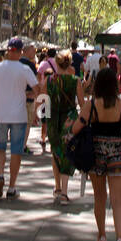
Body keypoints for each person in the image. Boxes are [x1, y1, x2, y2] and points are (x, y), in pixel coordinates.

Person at [70, 66, 121, 241]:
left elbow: (75, 128)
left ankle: (102, 235)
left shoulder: (91, 105)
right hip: (118, 153)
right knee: (118, 200)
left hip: (96, 152)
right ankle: (120, 240)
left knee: (99, 196)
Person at [0, 37, 41, 200]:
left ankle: (1, 174)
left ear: (8, 50)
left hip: (1, 115)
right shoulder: (24, 69)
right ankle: (11, 187)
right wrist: (37, 109)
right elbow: (38, 90)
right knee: (16, 151)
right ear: (21, 51)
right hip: (19, 116)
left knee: (0, 148)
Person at [45, 51, 80, 203]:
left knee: (56, 152)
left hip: (53, 120)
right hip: (70, 120)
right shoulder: (75, 80)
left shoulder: (49, 80)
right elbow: (83, 103)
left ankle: (57, 186)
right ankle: (64, 192)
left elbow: (45, 101)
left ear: (57, 63)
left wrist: (43, 122)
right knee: (67, 154)